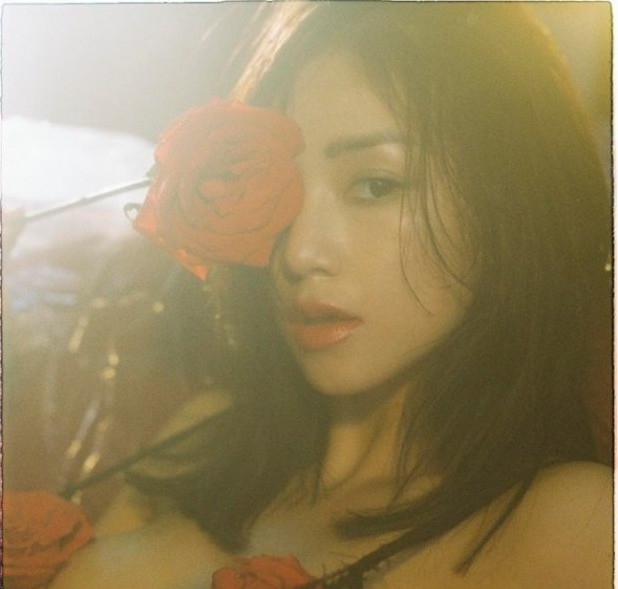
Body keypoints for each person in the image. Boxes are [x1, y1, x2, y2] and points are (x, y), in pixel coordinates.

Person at [41, 2, 611, 588]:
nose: (298, 252)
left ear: (508, 204)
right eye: (277, 190)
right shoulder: (204, 438)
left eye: (375, 185)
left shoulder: (575, 522)